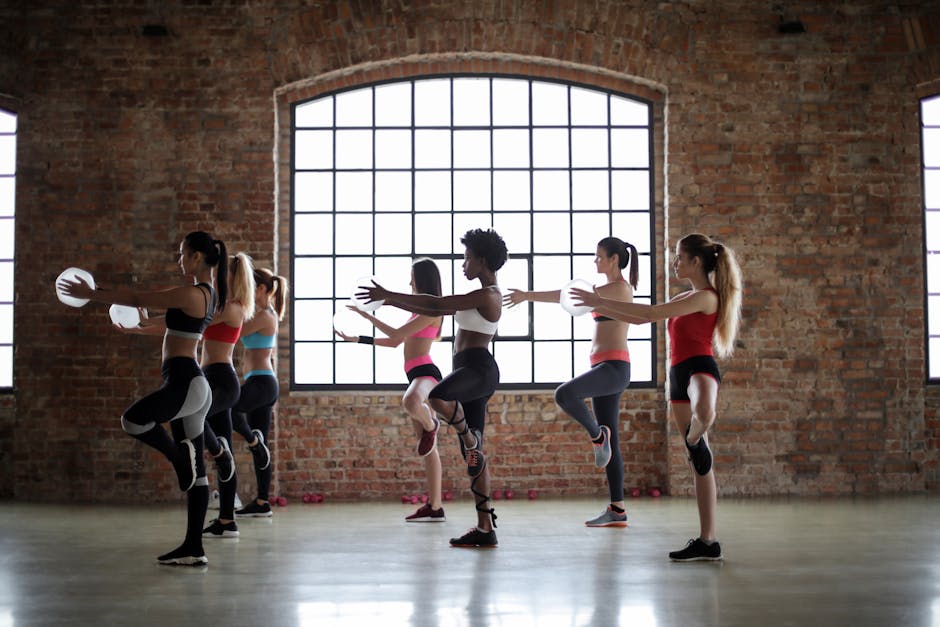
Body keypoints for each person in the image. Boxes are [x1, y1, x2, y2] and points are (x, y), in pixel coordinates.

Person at [58, 231, 228, 566]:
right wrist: (137, 325)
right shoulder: (201, 295)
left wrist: (91, 294)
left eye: (182, 253)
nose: (179, 259)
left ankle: (177, 457)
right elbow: (157, 316)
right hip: (190, 386)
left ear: (196, 257)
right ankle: (194, 547)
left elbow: (138, 293)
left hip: (186, 383)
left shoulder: (194, 293)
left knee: (133, 420)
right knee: (199, 475)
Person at [571, 233, 743, 562]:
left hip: (699, 368)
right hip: (677, 376)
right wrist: (600, 305)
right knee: (699, 465)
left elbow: (650, 312)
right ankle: (708, 541)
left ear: (695, 261)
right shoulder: (687, 295)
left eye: (679, 257)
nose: (675, 263)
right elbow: (638, 317)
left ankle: (699, 432)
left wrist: (600, 302)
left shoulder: (706, 297)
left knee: (704, 410)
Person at [358, 228, 507, 548]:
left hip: (479, 369)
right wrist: (391, 298)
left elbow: (437, 304)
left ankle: (467, 434)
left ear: (482, 260)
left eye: (467, 258)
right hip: (468, 371)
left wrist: (390, 296)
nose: (463, 264)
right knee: (474, 455)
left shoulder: (489, 295)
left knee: (437, 395)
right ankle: (485, 529)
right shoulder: (482, 292)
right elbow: (432, 305)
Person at [505, 237, 638, 528]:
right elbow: (566, 296)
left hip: (614, 368)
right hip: (605, 367)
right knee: (612, 439)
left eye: (599, 256)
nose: (595, 261)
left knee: (565, 394)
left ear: (614, 259)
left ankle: (596, 436)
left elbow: (567, 294)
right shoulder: (603, 290)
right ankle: (617, 509)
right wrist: (526, 295)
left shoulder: (618, 288)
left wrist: (528, 295)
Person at [335, 258, 448, 522]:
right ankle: (435, 506)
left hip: (427, 374)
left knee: (410, 403)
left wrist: (366, 315)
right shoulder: (418, 311)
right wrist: (358, 338)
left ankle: (432, 424)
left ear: (422, 280)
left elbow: (397, 335)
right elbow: (395, 344)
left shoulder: (431, 311)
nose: (409, 283)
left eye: (412, 278)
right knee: (428, 450)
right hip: (413, 374)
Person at [200, 253, 256, 538]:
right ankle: (226, 521)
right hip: (210, 377)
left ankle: (219, 451)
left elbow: (194, 320)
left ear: (232, 277)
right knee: (227, 456)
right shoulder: (222, 305)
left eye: (223, 273)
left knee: (196, 422)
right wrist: (143, 326)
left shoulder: (234, 308)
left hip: (222, 379)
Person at [231, 267, 286, 518]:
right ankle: (263, 502)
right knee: (261, 447)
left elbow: (236, 330)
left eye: (250, 289)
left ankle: (253, 440)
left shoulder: (266, 315)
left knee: (228, 408)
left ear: (261, 289)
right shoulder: (262, 313)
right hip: (259, 382)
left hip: (262, 384)